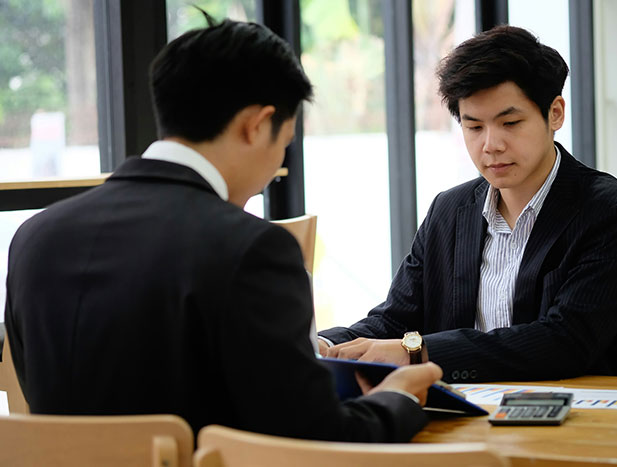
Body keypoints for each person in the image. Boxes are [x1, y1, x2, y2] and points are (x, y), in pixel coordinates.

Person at [3, 14, 442, 441]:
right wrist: (398, 399)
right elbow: (315, 441)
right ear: (256, 125)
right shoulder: (250, 248)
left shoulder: (35, 237)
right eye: (284, 143)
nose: (277, 167)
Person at [319, 25, 617, 383]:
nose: (491, 145)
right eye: (474, 127)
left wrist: (417, 354)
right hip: (462, 418)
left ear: (555, 113)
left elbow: (565, 342)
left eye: (510, 123)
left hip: (577, 419)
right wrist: (324, 344)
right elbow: (396, 319)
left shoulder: (613, 214)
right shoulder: (450, 211)